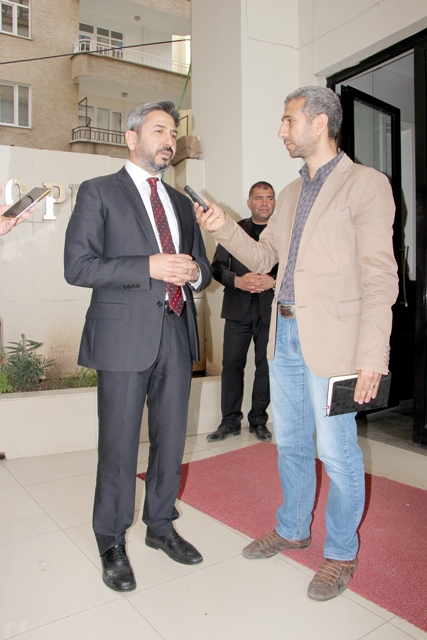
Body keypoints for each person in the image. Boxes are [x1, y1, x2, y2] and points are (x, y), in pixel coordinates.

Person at [194, 86, 398, 601]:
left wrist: (373, 355)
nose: (281, 130)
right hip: (283, 333)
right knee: (290, 441)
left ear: (320, 123)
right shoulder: (288, 193)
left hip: (336, 341)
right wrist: (223, 227)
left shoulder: (367, 185)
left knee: (337, 449)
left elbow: (380, 277)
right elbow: (264, 258)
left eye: (289, 120)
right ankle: (292, 527)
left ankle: (341, 552)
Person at [64, 100, 212, 593]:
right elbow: (77, 266)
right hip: (123, 335)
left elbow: (202, 267)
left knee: (171, 439)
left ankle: (160, 526)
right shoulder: (98, 191)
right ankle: (110, 540)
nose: (169, 141)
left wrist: (194, 274)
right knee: (120, 444)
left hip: (175, 330)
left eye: (172, 133)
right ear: (131, 138)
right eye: (158, 131)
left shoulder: (180, 203)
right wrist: (147, 266)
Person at [207, 181, 278, 443]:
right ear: (249, 203)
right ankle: (229, 422)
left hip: (270, 310)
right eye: (258, 198)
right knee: (232, 365)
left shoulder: (283, 232)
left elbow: (294, 268)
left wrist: (272, 280)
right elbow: (216, 267)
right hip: (237, 309)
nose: (264, 203)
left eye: (269, 198)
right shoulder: (234, 230)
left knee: (266, 366)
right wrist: (237, 281)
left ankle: (258, 420)